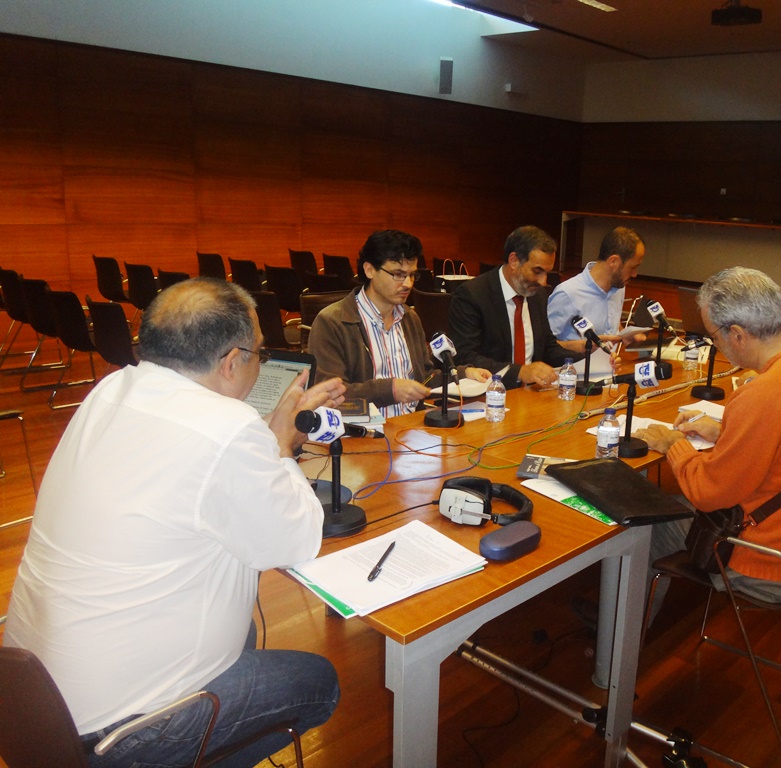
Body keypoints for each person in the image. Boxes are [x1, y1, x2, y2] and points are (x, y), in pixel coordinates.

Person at [4, 278, 344, 767]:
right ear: (231, 362)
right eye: (260, 353)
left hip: (34, 702)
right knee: (318, 684)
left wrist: (265, 441)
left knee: (243, 630)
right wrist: (281, 446)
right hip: (117, 736)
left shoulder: (111, 389)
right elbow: (295, 542)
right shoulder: (227, 428)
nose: (260, 363)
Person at [637, 267, 781, 605]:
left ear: (737, 334)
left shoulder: (764, 393)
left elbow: (707, 493)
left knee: (646, 522)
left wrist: (675, 445)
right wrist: (725, 433)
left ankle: (618, 630)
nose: (716, 345)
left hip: (774, 560)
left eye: (714, 337)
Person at [307, 229, 489, 417]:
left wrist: (462, 374)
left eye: (412, 275)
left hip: (411, 425)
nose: (408, 284)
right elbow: (329, 396)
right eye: (398, 274)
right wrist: (390, 390)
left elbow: (423, 380)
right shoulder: (332, 322)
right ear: (369, 270)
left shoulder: (410, 318)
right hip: (362, 430)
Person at [448, 225, 585, 388]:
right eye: (537, 271)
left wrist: (591, 358)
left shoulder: (538, 295)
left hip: (531, 392)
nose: (543, 282)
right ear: (514, 261)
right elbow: (465, 357)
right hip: (490, 392)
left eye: (547, 273)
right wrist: (519, 372)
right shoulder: (472, 295)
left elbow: (548, 349)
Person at [547, 225, 648, 349]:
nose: (635, 274)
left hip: (611, 361)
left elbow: (610, 324)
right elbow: (545, 347)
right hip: (577, 362)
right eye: (632, 267)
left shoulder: (619, 287)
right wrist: (582, 347)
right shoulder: (567, 294)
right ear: (613, 262)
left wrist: (622, 335)